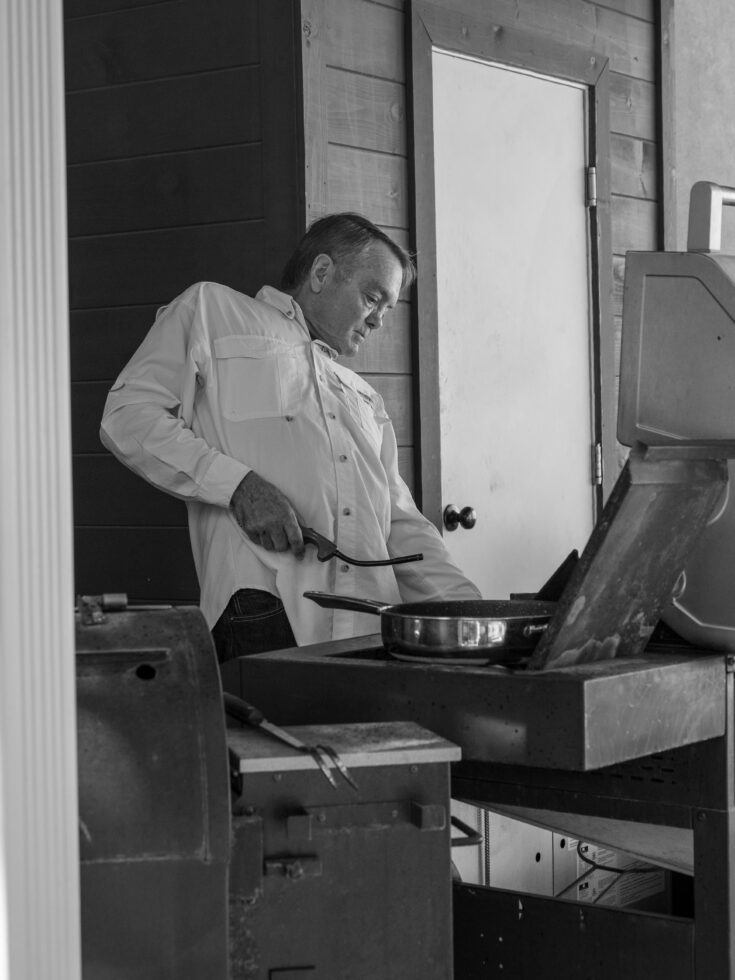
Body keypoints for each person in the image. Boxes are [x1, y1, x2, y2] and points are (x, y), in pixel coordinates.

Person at [100, 212, 481, 663]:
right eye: (372, 298)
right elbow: (127, 417)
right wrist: (238, 485)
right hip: (265, 612)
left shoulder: (364, 397)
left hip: (369, 634)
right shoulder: (215, 312)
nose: (379, 320)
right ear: (322, 273)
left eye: (388, 309)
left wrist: (477, 613)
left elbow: (401, 525)